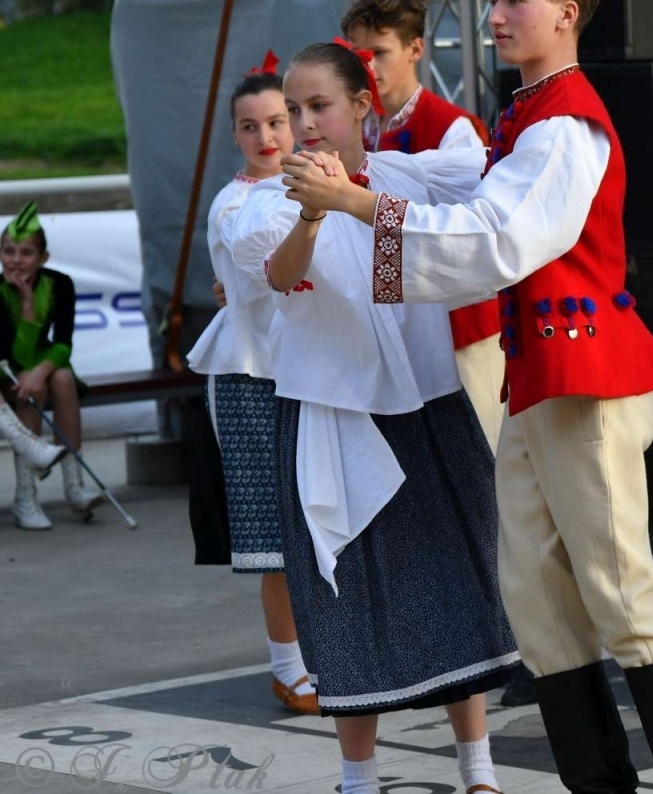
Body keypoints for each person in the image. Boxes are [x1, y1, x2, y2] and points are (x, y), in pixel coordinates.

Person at [280, 0, 653, 794]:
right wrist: (359, 186)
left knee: (621, 594)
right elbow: (454, 185)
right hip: (542, 379)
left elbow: (501, 234)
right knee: (535, 599)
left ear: (565, 14)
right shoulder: (525, 116)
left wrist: (357, 199)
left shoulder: (566, 126)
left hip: (587, 376)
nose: (494, 14)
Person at [230, 41, 517, 794]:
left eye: (317, 105)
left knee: (460, 574)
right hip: (332, 411)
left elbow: (479, 173)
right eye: (291, 110)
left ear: (362, 105)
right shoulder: (265, 200)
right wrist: (313, 218)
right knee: (347, 596)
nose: (302, 124)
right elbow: (278, 276)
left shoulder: (401, 175)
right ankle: (359, 780)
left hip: (426, 401)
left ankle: (477, 769)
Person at [186, 55, 318, 714]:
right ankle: (288, 669)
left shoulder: (312, 182)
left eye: (278, 120)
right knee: (274, 539)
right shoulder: (236, 203)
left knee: (320, 522)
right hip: (248, 376)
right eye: (250, 125)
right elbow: (273, 269)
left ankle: (322, 657)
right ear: (235, 135)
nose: (266, 136)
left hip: (308, 371)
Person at [342, 0, 504, 449]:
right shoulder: (356, 130)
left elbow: (465, 236)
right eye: (358, 54)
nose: (367, 66)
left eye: (379, 52)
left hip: (461, 330)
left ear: (416, 49)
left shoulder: (453, 129)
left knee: (478, 464)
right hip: (388, 330)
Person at [2, 202, 102, 527]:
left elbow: (63, 342)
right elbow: (12, 353)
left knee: (60, 378)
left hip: (44, 362)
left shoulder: (60, 284)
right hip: (7, 369)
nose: (16, 260)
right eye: (9, 251)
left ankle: (75, 487)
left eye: (26, 252)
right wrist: (28, 307)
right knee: (34, 389)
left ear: (43, 257)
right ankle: (26, 496)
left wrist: (40, 370)